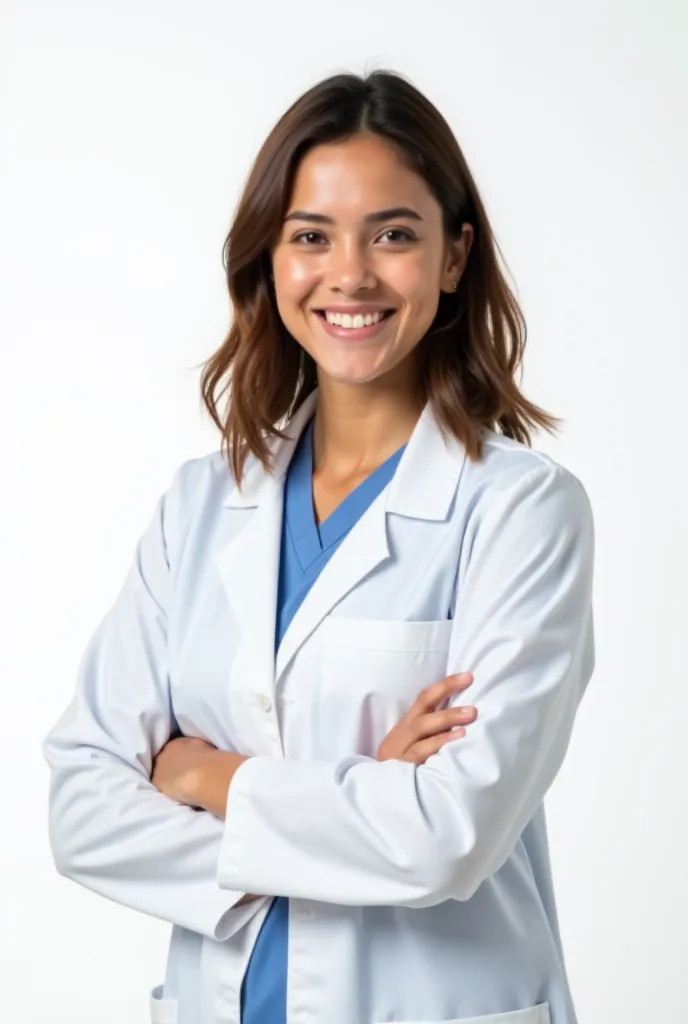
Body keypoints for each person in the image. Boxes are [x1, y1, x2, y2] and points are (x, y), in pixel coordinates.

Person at [42, 69, 595, 1024]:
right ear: (271, 258)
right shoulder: (201, 505)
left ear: (454, 257)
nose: (351, 274)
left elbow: (448, 839)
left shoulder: (521, 511)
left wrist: (205, 778)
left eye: (393, 233)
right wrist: (366, 799)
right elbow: (83, 812)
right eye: (310, 236)